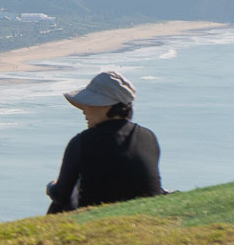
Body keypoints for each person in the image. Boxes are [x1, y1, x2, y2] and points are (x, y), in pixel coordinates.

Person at [46, 70, 163, 213]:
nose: (84, 110)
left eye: (89, 104)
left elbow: (60, 195)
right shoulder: (148, 137)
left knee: (61, 201)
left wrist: (51, 186)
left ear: (107, 105)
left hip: (95, 217)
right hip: (146, 214)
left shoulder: (82, 142)